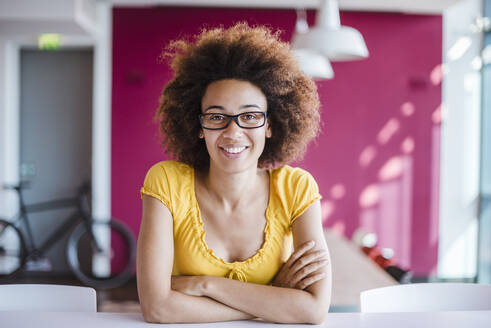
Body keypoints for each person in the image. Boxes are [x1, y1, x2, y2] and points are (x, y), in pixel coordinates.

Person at [137, 22, 331, 324]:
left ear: (269, 125)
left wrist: (205, 285)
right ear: (199, 125)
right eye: (217, 116)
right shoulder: (166, 182)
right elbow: (157, 309)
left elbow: (314, 311)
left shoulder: (297, 188)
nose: (233, 131)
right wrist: (272, 297)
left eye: (250, 116)